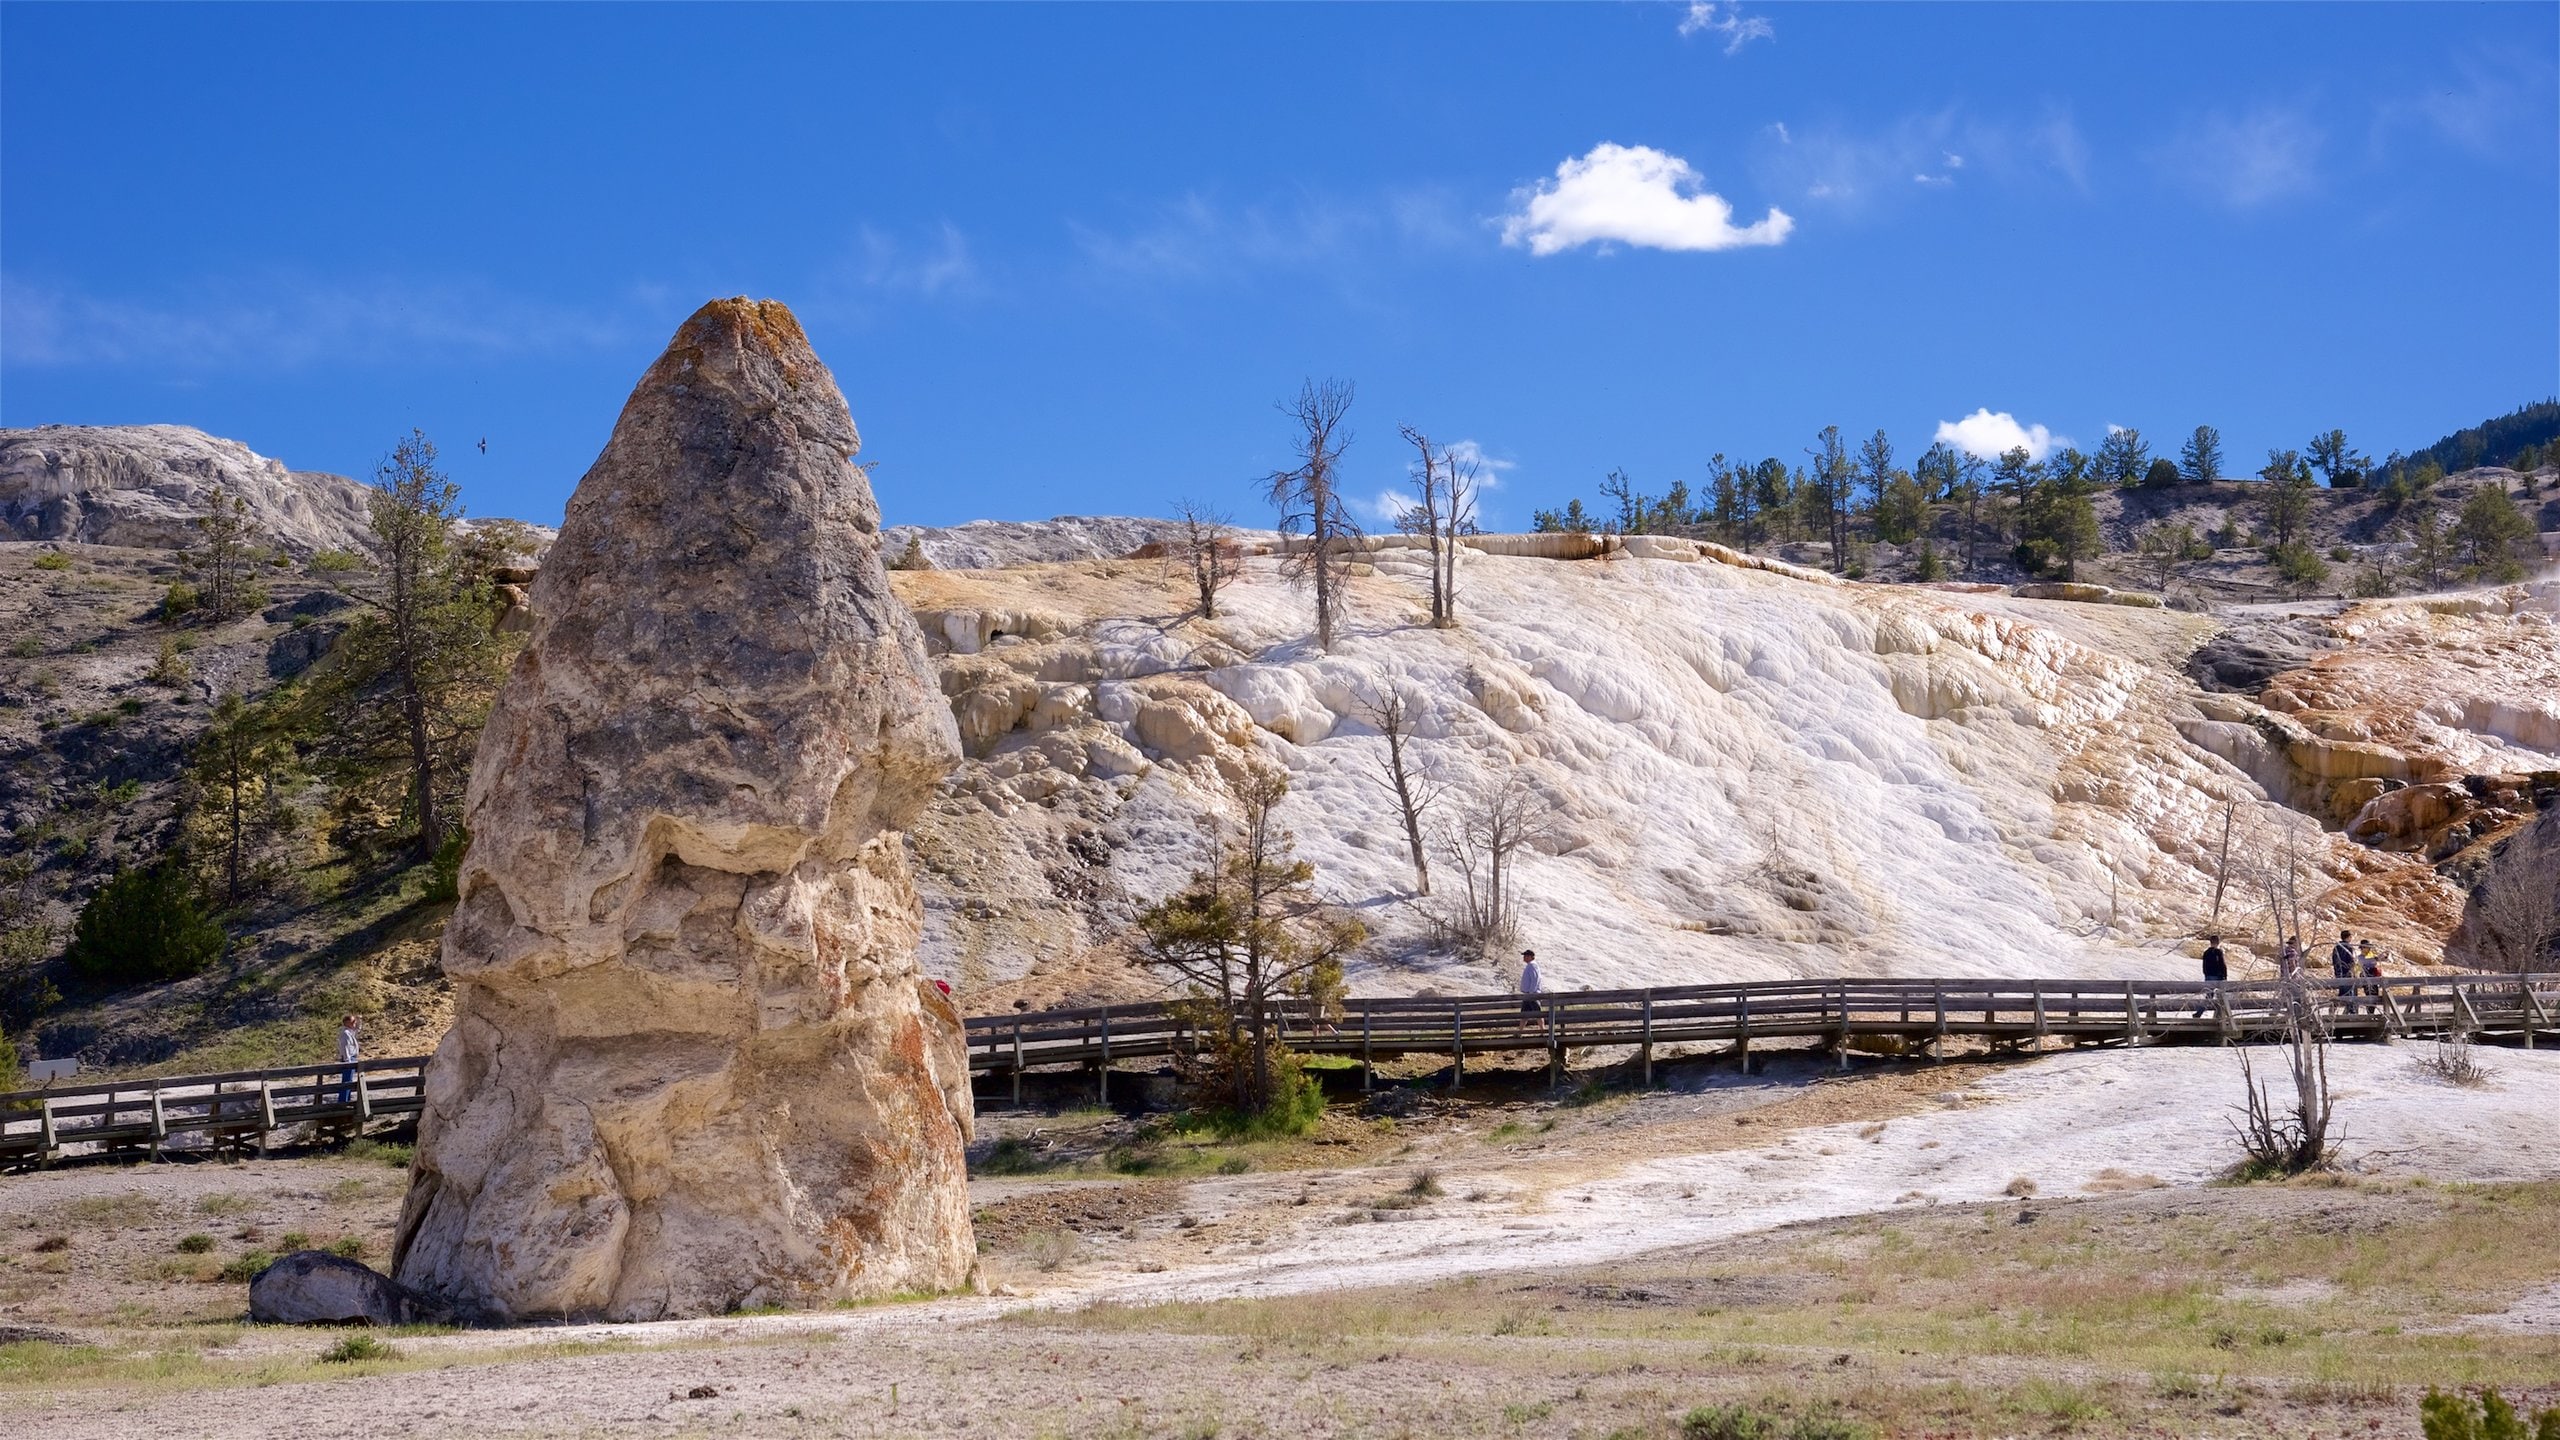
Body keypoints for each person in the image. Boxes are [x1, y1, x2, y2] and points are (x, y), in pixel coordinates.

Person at [2194, 935, 2226, 1018]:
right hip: (2218, 977)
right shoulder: (2219, 952)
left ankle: (2199, 1013)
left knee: (2209, 997)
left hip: (2208, 977)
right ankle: (2219, 1016)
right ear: (2218, 942)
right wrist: (2224, 976)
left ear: (2210, 942)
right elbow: (2222, 964)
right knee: (2221, 997)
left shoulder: (2206, 952)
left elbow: (2204, 966)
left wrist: (2206, 975)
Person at [2330, 930, 2359, 1013]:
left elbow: (2334, 961)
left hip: (2339, 972)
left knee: (2342, 991)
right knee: (2349, 992)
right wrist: (2353, 971)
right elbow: (2351, 961)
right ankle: (2351, 1011)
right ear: (2349, 937)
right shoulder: (2348, 947)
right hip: (2347, 973)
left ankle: (2335, 1008)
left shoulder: (2336, 947)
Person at [336, 1016, 361, 1105]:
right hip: (348, 1059)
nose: (354, 1023)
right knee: (346, 1081)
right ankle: (343, 1102)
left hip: (351, 1058)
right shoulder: (345, 1033)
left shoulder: (350, 1032)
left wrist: (358, 1020)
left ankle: (346, 1100)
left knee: (349, 1081)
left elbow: (357, 1028)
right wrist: (347, 1061)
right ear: (346, 1023)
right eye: (352, 1022)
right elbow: (344, 1047)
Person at [1518, 949, 1543, 1020]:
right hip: (1527, 994)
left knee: (1538, 1013)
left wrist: (1531, 992)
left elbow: (1535, 979)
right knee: (1524, 1014)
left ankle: (1542, 1029)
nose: (1524, 957)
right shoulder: (1530, 965)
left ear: (1530, 957)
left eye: (1526, 956)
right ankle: (1520, 1030)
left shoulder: (1532, 965)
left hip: (1532, 995)